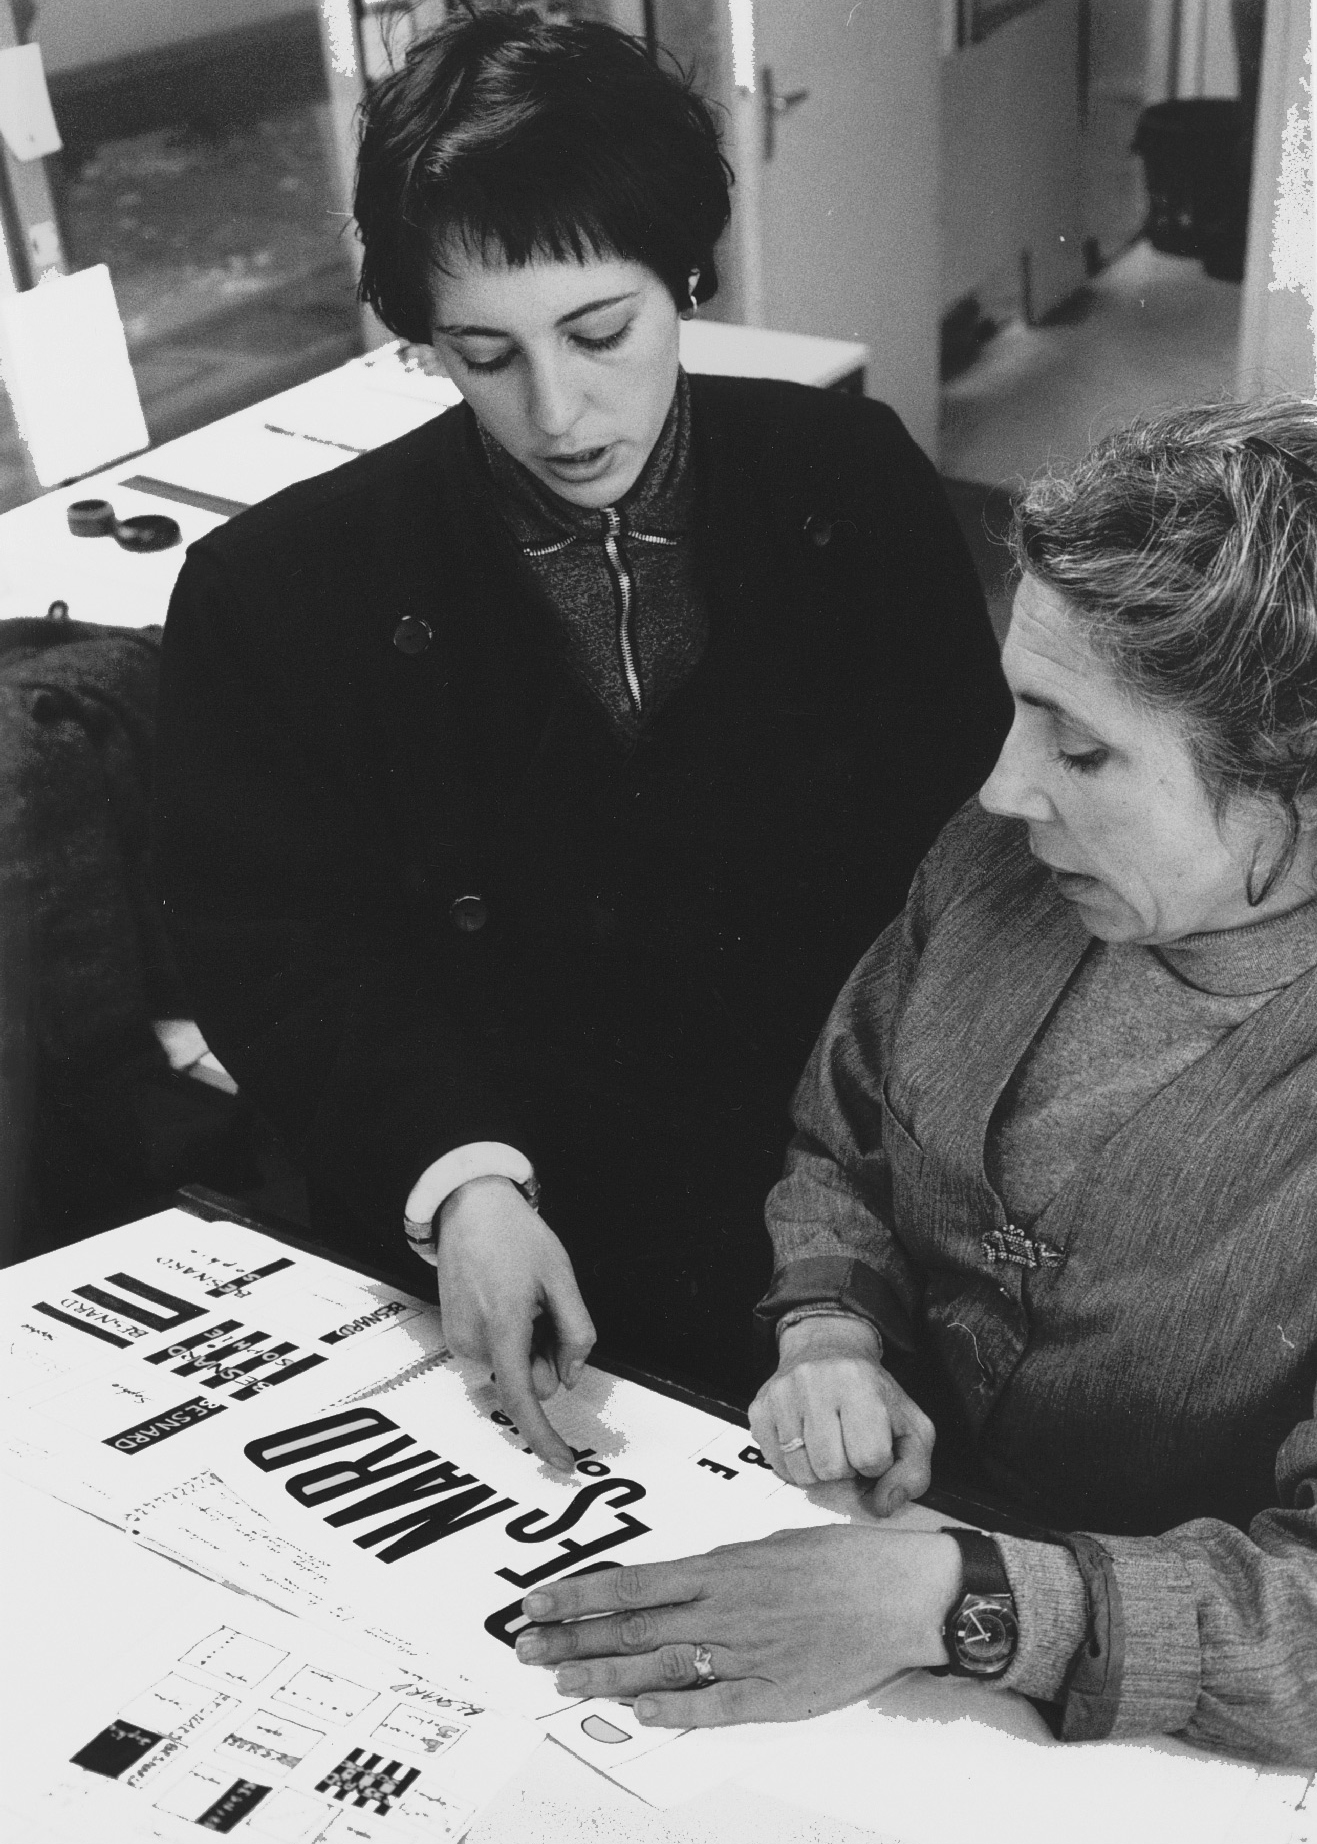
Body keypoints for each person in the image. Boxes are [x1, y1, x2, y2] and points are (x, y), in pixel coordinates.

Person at [153, 9, 1008, 1466]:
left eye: (599, 332)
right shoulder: (280, 588)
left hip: (829, 1216)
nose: (557, 412)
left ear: (684, 275)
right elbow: (273, 944)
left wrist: (840, 1280)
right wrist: (458, 1178)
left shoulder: (849, 483)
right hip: (486, 1216)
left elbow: (963, 889)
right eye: (480, 356)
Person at [513, 400, 1317, 1765]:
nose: (1001, 787)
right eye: (1018, 710)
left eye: (1079, 748)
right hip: (887, 1561)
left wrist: (963, 1597)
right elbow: (844, 1138)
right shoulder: (999, 867)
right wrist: (830, 1326)